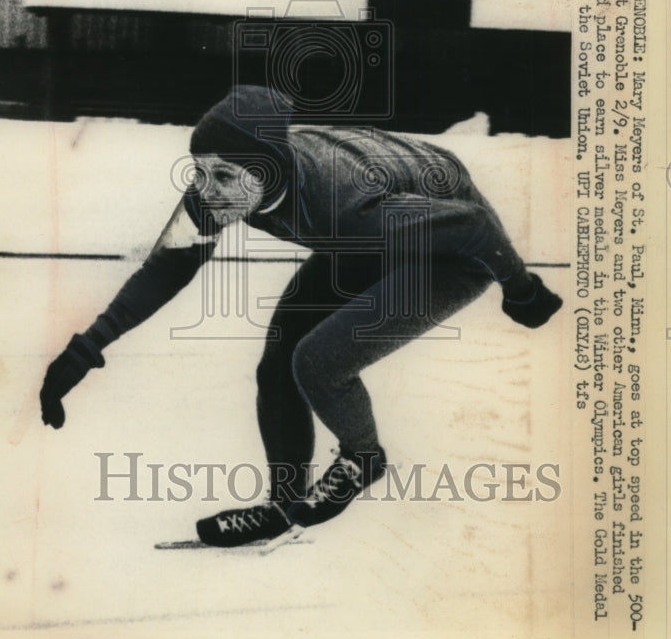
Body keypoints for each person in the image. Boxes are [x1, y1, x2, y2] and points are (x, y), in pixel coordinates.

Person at [40, 85, 562, 547]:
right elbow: (167, 269)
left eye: (222, 175)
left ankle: (363, 458)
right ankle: (281, 505)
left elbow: (471, 223)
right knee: (277, 363)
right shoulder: (223, 188)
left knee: (318, 361)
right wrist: (88, 346)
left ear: (268, 170)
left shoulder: (342, 199)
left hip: (451, 251)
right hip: (369, 235)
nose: (206, 189)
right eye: (199, 173)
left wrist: (521, 290)